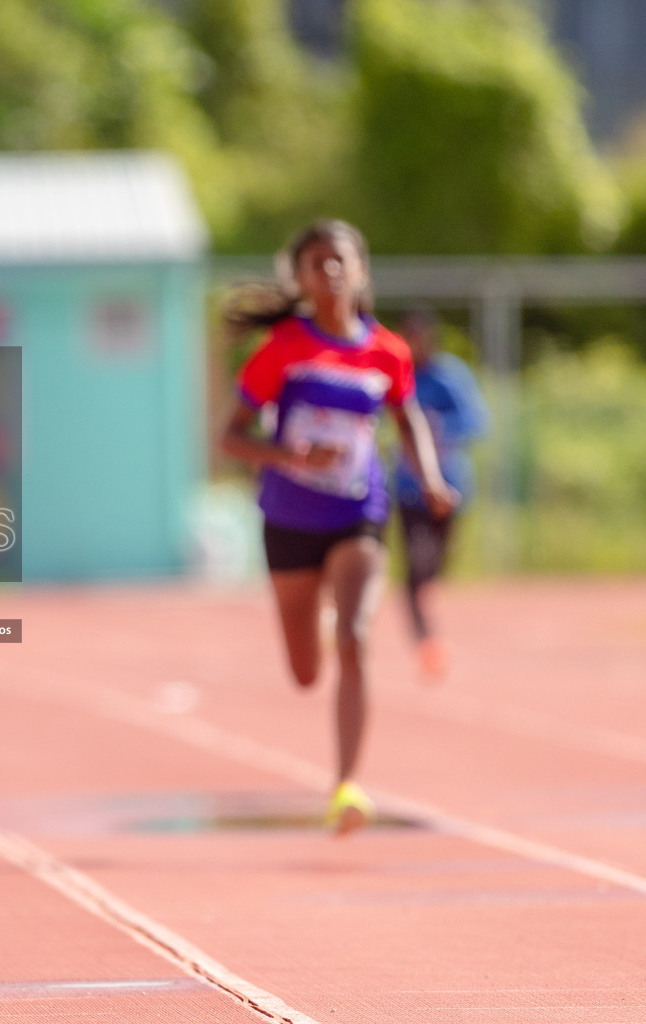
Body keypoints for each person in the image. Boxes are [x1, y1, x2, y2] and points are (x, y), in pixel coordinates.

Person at [219, 219, 455, 836]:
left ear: (360, 270)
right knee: (305, 673)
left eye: (339, 261)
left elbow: (408, 422)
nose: (328, 273)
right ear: (298, 277)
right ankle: (318, 624)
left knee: (355, 637)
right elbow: (230, 438)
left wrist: (428, 478)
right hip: (290, 519)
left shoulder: (389, 352)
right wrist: (290, 457)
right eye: (315, 263)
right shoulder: (283, 351)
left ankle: (346, 786)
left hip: (359, 513)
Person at [392, 307, 489, 681]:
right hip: (408, 487)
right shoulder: (398, 375)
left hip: (449, 486)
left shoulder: (449, 376)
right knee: (415, 567)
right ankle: (426, 642)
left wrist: (438, 427)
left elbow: (477, 420)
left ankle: (427, 598)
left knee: (435, 566)